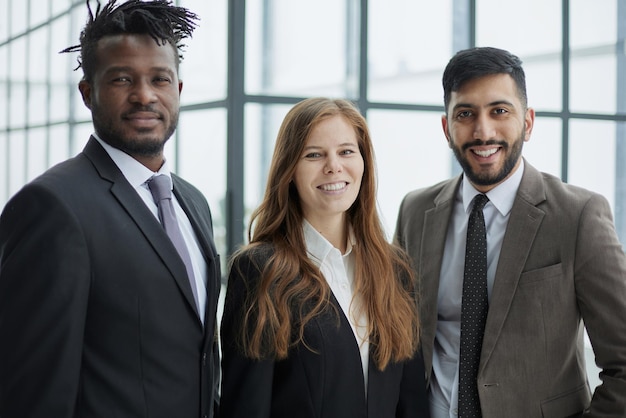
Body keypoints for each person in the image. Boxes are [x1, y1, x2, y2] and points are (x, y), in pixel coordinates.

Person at [0, 1, 221, 417]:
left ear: (178, 91)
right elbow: (31, 394)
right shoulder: (53, 208)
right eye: (122, 79)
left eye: (159, 78)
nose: (144, 95)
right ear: (88, 93)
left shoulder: (194, 203)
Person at [394, 46, 626, 418]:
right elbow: (397, 341)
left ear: (528, 122)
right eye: (465, 114)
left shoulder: (578, 217)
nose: (483, 131)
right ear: (446, 128)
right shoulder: (415, 211)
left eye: (500, 111)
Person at [220, 97, 430, 418]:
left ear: (364, 163)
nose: (333, 166)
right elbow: (246, 407)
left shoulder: (394, 269)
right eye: (314, 155)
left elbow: (411, 403)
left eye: (346, 151)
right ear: (289, 170)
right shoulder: (260, 270)